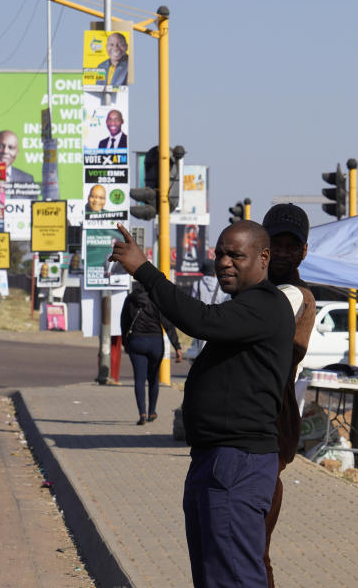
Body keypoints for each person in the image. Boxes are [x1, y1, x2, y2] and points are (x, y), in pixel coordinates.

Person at [109, 220, 294, 588]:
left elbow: (200, 320)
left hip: (237, 465)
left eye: (236, 255)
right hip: (214, 461)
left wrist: (145, 271)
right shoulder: (244, 307)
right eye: (220, 254)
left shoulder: (266, 305)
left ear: (263, 258)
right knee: (214, 578)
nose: (224, 262)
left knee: (234, 579)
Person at [260, 203, 317, 588]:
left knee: (252, 548)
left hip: (269, 428)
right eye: (274, 244)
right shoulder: (258, 292)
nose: (282, 252)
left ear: (303, 252)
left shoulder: (293, 297)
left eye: (289, 245)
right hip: (250, 431)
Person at [120, 282, 183, 424]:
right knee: (154, 379)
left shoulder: (130, 299)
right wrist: (177, 347)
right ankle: (152, 411)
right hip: (155, 343)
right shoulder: (157, 300)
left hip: (136, 342)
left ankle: (142, 414)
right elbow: (168, 325)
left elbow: (124, 322)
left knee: (139, 379)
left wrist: (125, 342)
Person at [186, 260, 229, 359]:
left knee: (201, 348)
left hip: (202, 319)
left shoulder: (197, 284)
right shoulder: (222, 284)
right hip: (219, 320)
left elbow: (193, 302)